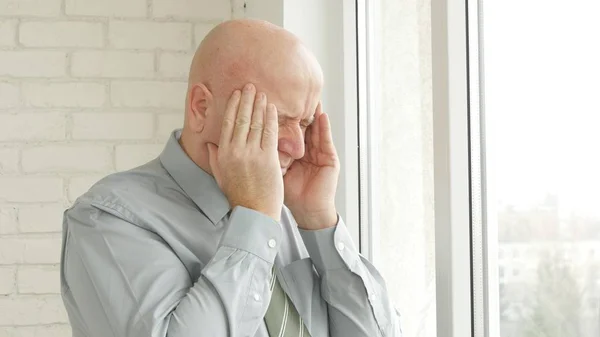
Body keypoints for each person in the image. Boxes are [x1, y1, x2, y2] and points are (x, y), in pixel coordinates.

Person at [60, 19, 402, 337]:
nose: (298, 147)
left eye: (305, 124)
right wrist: (253, 219)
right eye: (279, 119)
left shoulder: (291, 215)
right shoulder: (108, 220)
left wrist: (319, 220)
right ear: (201, 108)